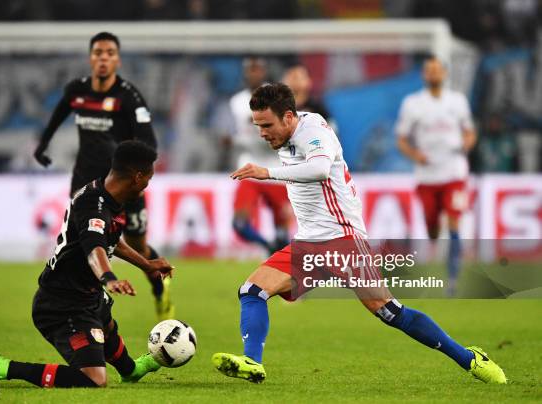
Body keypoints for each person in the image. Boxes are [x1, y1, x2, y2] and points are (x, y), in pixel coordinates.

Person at [211, 83, 505, 385]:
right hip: (309, 243)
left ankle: (469, 358)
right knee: (252, 291)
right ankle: (252, 363)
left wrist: (267, 172)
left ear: (288, 117)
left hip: (343, 240)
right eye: (257, 126)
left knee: (389, 311)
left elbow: (320, 170)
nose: (261, 132)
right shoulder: (290, 132)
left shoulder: (314, 133)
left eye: (266, 125)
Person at [0, 141, 173, 388]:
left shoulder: (111, 197)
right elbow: (94, 248)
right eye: (148, 178)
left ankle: (130, 370)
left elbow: (111, 240)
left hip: (86, 292)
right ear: (137, 177)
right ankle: (2, 366)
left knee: (106, 325)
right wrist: (109, 277)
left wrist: (146, 264)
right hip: (62, 305)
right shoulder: (93, 206)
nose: (148, 185)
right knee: (94, 380)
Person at [33, 32, 174, 320]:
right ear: (91, 57)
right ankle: (84, 297)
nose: (103, 58)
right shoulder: (77, 91)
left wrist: (135, 169)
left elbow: (149, 143)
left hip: (123, 185)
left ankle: (160, 290)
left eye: (109, 53)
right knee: (82, 239)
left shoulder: (129, 97)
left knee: (138, 245)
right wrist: (43, 144)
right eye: (98, 52)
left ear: (117, 60)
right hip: (85, 181)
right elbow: (58, 115)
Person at [395, 57, 477, 296]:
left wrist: (467, 144)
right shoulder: (412, 104)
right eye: (429, 71)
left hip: (454, 173)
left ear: (444, 74)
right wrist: (415, 154)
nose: (433, 74)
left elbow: (470, 132)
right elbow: (401, 138)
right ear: (424, 75)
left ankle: (452, 279)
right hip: (427, 175)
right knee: (431, 226)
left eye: (437, 71)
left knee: (454, 222)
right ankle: (434, 234)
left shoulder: (458, 101)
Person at [228, 57, 291, 254]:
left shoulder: (276, 98)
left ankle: (280, 267)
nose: (254, 73)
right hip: (250, 169)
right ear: (246, 72)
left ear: (264, 71)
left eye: (257, 69)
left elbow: (281, 132)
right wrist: (233, 140)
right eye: (250, 69)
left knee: (282, 233)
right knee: (239, 223)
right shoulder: (237, 102)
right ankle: (267, 247)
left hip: (276, 171)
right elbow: (239, 134)